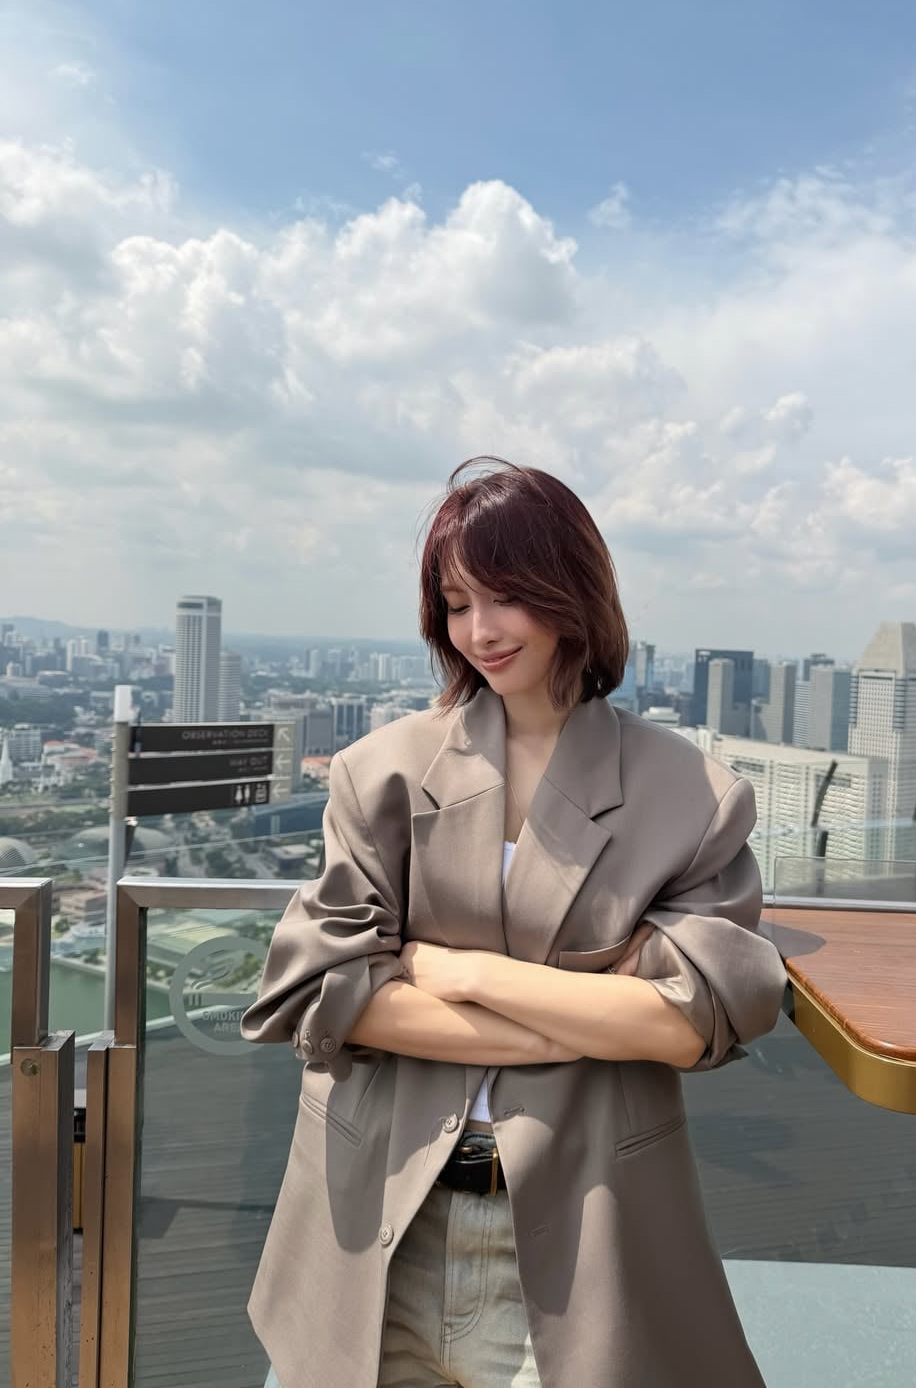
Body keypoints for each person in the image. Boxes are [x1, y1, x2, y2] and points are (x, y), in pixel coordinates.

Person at [242, 457, 787, 1388]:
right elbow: (323, 992)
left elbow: (691, 1022)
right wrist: (584, 1019)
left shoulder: (691, 795)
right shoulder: (383, 770)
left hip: (581, 1227)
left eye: (506, 597)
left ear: (571, 591)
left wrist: (463, 973)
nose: (480, 631)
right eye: (457, 605)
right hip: (378, 1212)